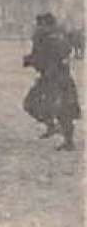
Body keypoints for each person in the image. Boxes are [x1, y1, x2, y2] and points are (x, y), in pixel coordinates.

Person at [23, 13, 78, 150]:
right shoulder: (60, 36)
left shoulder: (44, 38)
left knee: (31, 104)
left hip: (50, 78)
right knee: (65, 108)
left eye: (39, 24)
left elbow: (42, 58)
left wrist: (29, 60)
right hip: (63, 77)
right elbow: (66, 52)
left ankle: (54, 128)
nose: (37, 27)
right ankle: (65, 138)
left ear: (45, 24)